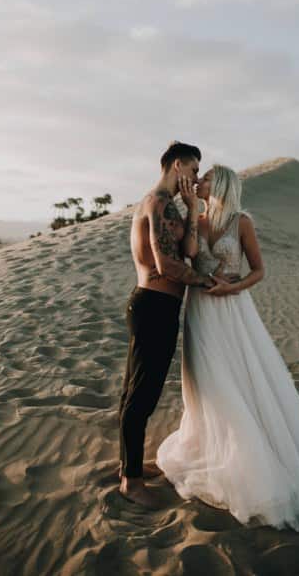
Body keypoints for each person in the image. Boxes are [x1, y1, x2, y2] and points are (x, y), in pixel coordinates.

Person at [156, 165, 299, 530]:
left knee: (243, 376)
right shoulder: (194, 216)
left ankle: (257, 457)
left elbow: (258, 270)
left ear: (223, 184)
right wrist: (193, 209)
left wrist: (232, 287)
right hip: (200, 311)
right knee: (207, 382)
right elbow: (191, 252)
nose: (200, 180)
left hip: (232, 308)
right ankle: (217, 446)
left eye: (207, 177)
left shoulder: (242, 221)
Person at [120, 141, 222, 508]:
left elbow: (187, 249)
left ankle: (127, 467)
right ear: (177, 165)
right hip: (155, 307)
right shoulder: (159, 203)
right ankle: (130, 483)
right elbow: (167, 265)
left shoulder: (166, 204)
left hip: (155, 305)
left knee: (135, 391)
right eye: (194, 170)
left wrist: (193, 208)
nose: (195, 177)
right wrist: (208, 282)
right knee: (142, 396)